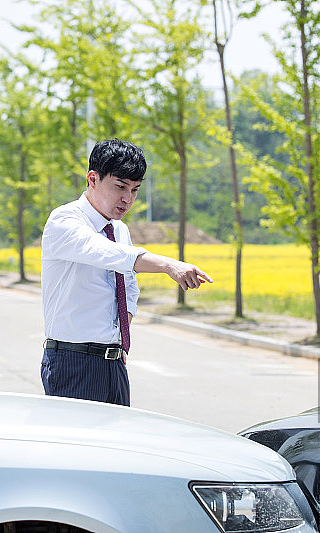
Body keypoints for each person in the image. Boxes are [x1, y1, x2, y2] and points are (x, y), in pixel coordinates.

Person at [40, 138, 212, 406]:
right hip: (73, 362)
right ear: (92, 179)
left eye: (134, 190)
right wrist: (168, 264)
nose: (127, 199)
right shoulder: (65, 221)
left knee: (118, 446)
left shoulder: (120, 229)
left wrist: (120, 332)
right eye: (120, 187)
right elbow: (104, 253)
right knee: (82, 446)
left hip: (113, 362)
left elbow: (129, 286)